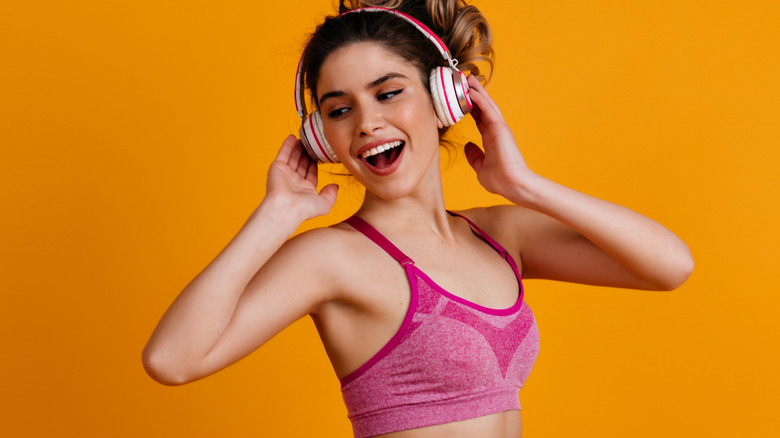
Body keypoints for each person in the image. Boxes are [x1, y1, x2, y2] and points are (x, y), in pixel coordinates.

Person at [142, 0, 694, 437]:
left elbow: (669, 266)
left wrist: (524, 185)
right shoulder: (332, 258)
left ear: (444, 99)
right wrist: (275, 216)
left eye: (388, 93)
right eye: (339, 110)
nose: (367, 122)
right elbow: (171, 360)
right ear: (322, 138)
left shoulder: (500, 236)